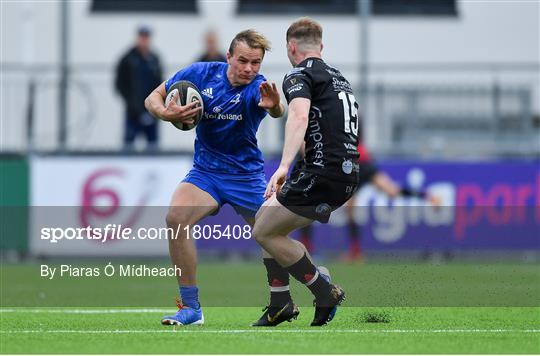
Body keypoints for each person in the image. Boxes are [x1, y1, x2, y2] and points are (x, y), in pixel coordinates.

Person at [144, 29, 285, 326]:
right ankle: (191, 309)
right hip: (205, 173)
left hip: (245, 176)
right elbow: (152, 98)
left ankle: (309, 290)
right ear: (229, 57)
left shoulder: (257, 89)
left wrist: (276, 107)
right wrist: (166, 114)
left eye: (256, 62)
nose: (249, 68)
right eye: (243, 61)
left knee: (273, 236)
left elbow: (277, 110)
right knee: (175, 220)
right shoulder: (200, 73)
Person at [252, 17, 360, 327]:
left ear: (291, 47)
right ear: (321, 46)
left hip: (322, 172)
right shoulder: (339, 78)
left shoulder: (299, 74)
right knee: (267, 221)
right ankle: (280, 303)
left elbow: (298, 117)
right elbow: (325, 127)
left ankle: (323, 289)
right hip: (346, 172)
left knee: (262, 231)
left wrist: (284, 167)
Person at [299, 143, 442, 261]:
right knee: (378, 196)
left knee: (315, 204)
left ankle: (310, 249)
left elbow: (306, 148)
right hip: (359, 159)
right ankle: (355, 252)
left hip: (350, 163)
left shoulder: (312, 121)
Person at [115, 26, 163, 151]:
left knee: (153, 147)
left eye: (146, 36)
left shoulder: (154, 59)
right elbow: (120, 85)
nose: (144, 39)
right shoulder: (128, 58)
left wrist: (155, 106)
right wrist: (134, 106)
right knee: (128, 147)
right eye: (142, 36)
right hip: (133, 114)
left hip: (152, 112)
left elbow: (160, 85)